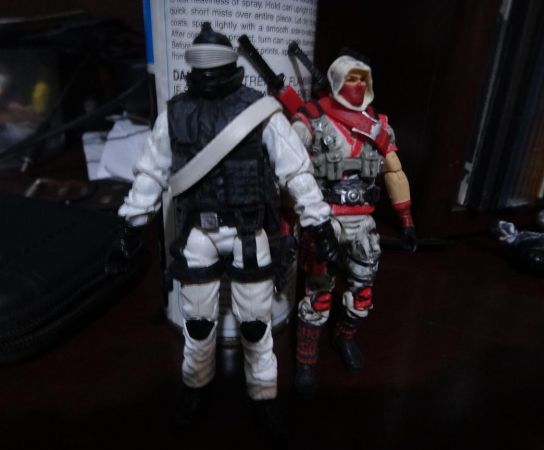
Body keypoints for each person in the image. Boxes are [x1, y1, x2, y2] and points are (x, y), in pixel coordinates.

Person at [117, 23, 338, 422]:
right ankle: (195, 385)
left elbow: (296, 171)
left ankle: (264, 394)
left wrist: (319, 223)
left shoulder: (260, 112)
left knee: (255, 324)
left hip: (248, 232)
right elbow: (151, 172)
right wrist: (131, 224)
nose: (208, 76)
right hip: (197, 233)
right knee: (199, 324)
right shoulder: (175, 114)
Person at [290, 52, 417, 393]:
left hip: (363, 222)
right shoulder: (310, 120)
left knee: (362, 294)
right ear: (336, 81)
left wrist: (406, 220)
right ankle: (305, 359)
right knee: (319, 296)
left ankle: (344, 338)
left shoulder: (378, 124)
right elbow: (289, 173)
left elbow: (394, 171)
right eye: (351, 78)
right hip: (324, 221)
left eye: (363, 78)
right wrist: (289, 226)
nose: (358, 85)